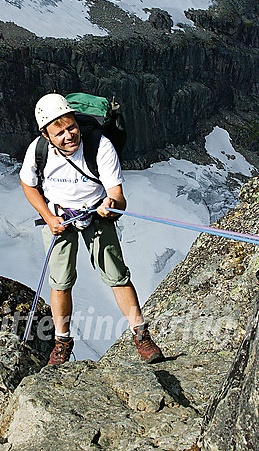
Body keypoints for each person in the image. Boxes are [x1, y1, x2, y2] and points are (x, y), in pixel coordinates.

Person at [19, 93, 164, 367]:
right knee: (60, 283)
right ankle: (62, 342)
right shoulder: (37, 151)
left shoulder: (100, 145)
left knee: (117, 276)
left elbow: (118, 197)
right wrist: (48, 217)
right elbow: (28, 184)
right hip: (59, 217)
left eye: (71, 127)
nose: (68, 135)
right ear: (47, 135)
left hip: (96, 214)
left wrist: (111, 205)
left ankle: (142, 336)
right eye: (59, 132)